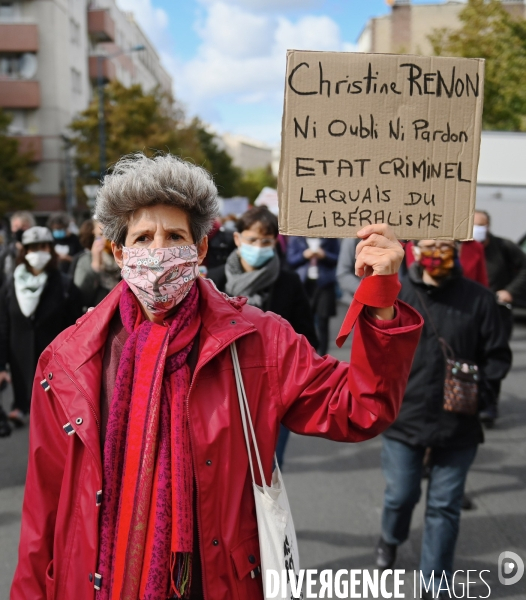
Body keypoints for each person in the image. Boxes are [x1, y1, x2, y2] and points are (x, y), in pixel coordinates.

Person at [11, 152, 423, 600]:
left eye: (175, 236)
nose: (158, 252)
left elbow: (361, 409)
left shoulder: (258, 339)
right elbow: (43, 510)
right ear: (119, 252)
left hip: (217, 583)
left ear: (201, 248)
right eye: (143, 237)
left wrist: (380, 296)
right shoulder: (69, 359)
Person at [375, 239, 511, 600]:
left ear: (457, 249)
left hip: (458, 423)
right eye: (428, 244)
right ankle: (390, 538)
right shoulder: (396, 296)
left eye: (445, 244)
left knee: (444, 506)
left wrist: (480, 396)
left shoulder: (480, 299)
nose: (436, 251)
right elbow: (375, 346)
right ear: (414, 248)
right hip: (405, 415)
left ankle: (435, 585)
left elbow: (497, 356)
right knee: (400, 495)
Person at [208, 206, 318, 468]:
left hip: (273, 396)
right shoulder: (213, 281)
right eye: (252, 240)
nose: (258, 247)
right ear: (238, 239)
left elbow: (308, 337)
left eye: (266, 241)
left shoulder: (289, 283)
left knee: (267, 470)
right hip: (222, 396)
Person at [0, 227, 83, 428]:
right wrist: (1, 366)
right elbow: (3, 325)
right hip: (18, 357)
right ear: (24, 251)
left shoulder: (64, 285)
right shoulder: (11, 285)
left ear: (51, 250)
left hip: (55, 361)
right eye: (33, 248)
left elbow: (76, 327)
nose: (38, 252)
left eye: (43, 247)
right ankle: (20, 407)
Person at [473, 209, 526, 424]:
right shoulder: (461, 247)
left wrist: (511, 291)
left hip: (497, 313)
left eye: (481, 225)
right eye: (473, 224)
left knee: (493, 358)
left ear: (488, 226)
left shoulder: (504, 247)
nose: (477, 229)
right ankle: (467, 402)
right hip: (470, 313)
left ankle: (489, 404)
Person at [287, 236, 340, 356]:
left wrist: (324, 255)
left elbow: (337, 258)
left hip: (324, 284)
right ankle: (307, 354)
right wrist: (304, 256)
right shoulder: (296, 238)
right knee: (303, 320)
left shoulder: (331, 238)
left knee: (323, 321)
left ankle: (322, 355)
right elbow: (290, 260)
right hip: (304, 284)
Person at [72, 219, 121, 310]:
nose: (107, 239)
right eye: (101, 235)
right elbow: (80, 298)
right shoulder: (85, 261)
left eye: (110, 234)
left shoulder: (126, 258)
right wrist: (95, 267)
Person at [0, 211, 36, 288]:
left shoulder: (38, 251)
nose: (19, 230)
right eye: (16, 226)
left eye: (24, 226)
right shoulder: (6, 252)